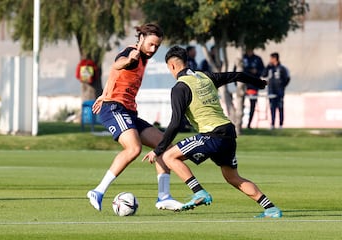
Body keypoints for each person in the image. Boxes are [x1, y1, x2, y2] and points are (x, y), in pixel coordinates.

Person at [143, 46, 282, 218]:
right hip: (229, 132)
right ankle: (271, 209)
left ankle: (199, 192)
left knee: (168, 157)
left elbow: (175, 123)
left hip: (211, 134)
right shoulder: (206, 76)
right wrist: (259, 83)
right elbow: (237, 75)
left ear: (171, 66)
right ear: (186, 62)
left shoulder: (180, 88)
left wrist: (158, 150)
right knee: (233, 177)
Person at [87, 23, 183, 212]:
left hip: (129, 111)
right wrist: (130, 59)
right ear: (141, 39)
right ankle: (97, 191)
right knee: (134, 148)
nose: (153, 49)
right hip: (115, 108)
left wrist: (104, 92)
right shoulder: (132, 53)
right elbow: (118, 64)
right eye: (151, 44)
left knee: (165, 147)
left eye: (157, 46)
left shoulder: (144, 58)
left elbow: (114, 74)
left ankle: (163, 197)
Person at [262, 52, 290, 129]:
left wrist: (282, 86)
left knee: (280, 107)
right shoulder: (269, 68)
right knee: (272, 107)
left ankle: (280, 124)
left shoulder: (282, 68)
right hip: (271, 90)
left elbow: (287, 78)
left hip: (279, 91)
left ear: (275, 58)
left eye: (271, 58)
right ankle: (272, 124)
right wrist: (267, 66)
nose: (270, 60)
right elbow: (263, 74)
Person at [242, 49, 264, 129]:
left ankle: (249, 124)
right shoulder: (242, 58)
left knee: (252, 105)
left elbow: (262, 70)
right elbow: (237, 70)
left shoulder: (257, 59)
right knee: (241, 104)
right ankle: (240, 122)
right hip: (243, 85)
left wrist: (256, 71)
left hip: (253, 86)